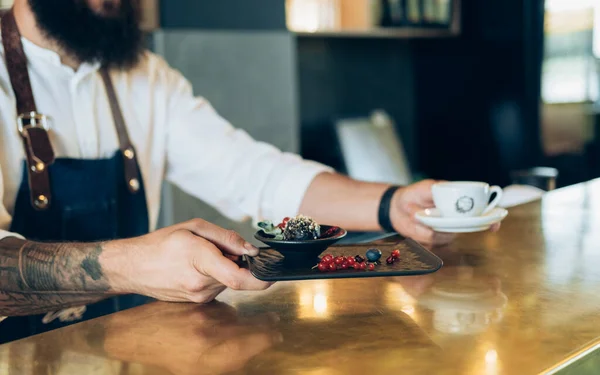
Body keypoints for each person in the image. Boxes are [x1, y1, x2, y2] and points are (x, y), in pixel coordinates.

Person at [0, 0, 498, 342]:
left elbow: (256, 175)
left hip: (123, 352)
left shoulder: (145, 77)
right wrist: (132, 265)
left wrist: (392, 204)